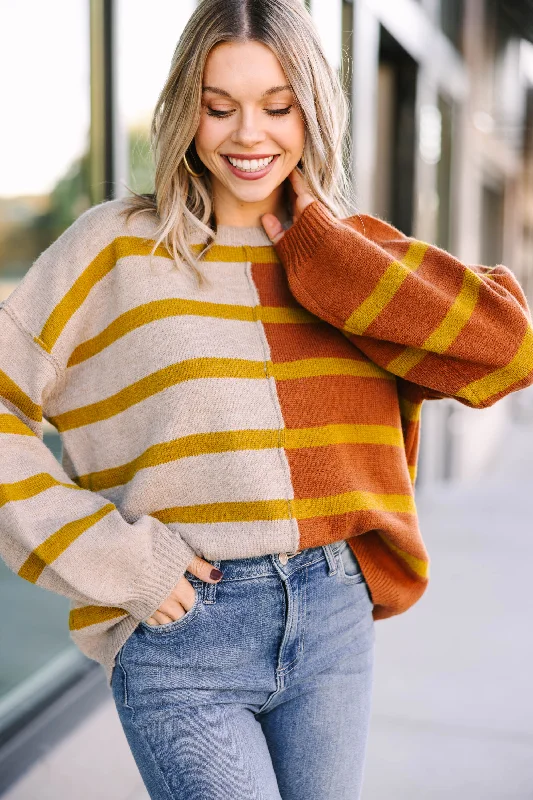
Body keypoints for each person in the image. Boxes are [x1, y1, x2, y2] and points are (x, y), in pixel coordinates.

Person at [1, 0, 532, 797]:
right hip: (183, 630)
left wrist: (316, 241)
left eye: (278, 107)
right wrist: (119, 560)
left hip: (332, 619)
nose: (249, 135)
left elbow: (507, 349)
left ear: (313, 109)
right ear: (187, 110)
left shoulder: (350, 255)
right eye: (220, 108)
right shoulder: (114, 248)